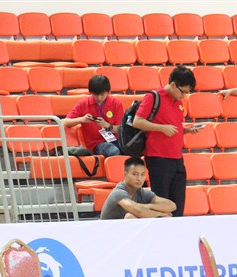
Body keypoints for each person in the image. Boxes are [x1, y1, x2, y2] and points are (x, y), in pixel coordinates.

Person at [131, 66, 204, 218]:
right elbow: (137, 121)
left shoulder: (178, 102)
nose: (183, 96)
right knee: (161, 203)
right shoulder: (153, 97)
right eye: (182, 91)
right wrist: (161, 128)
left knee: (178, 203)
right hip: (158, 158)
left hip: (177, 158)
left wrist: (187, 130)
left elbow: (174, 126)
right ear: (173, 85)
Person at [61, 75, 124, 157]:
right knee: (113, 151)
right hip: (96, 144)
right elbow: (64, 122)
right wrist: (81, 119)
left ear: (108, 91)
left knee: (133, 150)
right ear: (91, 92)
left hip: (116, 140)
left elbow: (120, 129)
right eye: (96, 94)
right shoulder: (83, 104)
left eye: (102, 94)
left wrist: (107, 125)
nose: (99, 98)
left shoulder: (116, 103)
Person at [99, 157, 176, 220]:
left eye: (142, 174)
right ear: (125, 174)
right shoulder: (118, 192)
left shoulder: (142, 192)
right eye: (134, 174)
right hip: (107, 231)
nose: (139, 178)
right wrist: (160, 214)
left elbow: (171, 205)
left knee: (165, 218)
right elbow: (139, 212)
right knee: (130, 217)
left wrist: (148, 206)